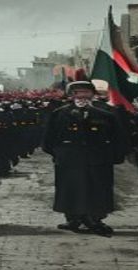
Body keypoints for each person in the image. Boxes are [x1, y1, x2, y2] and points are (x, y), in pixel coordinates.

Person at [42, 80, 126, 236]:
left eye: (86, 93)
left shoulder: (107, 114)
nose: (82, 96)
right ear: (71, 95)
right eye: (77, 93)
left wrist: (114, 156)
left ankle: (95, 219)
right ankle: (73, 218)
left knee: (97, 190)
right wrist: (60, 154)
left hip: (97, 160)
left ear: (93, 94)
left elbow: (118, 139)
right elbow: (49, 140)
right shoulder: (59, 114)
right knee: (70, 190)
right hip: (70, 160)